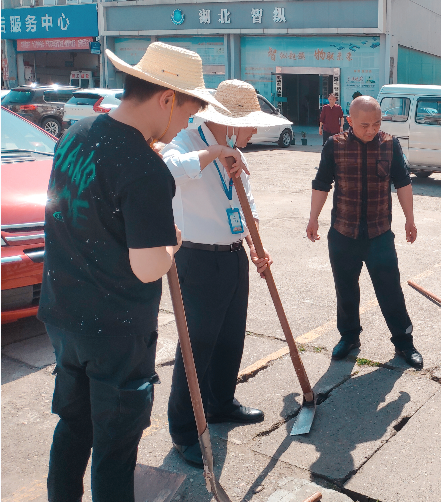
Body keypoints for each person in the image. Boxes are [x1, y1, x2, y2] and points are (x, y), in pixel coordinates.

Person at [37, 42, 223, 502]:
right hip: (115, 333)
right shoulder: (144, 168)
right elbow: (147, 268)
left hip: (63, 314)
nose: (182, 127)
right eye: (185, 116)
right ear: (165, 98)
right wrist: (171, 244)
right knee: (116, 448)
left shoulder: (76, 134)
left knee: (74, 426)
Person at [160, 79, 272, 468]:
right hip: (196, 258)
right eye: (250, 123)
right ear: (229, 121)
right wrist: (216, 151)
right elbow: (170, 170)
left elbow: (245, 200)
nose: (255, 131)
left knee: (230, 337)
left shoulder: (236, 152)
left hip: (233, 255)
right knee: (196, 347)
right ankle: (185, 432)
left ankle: (221, 402)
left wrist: (256, 244)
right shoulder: (188, 141)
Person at [306, 96, 423, 369]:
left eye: (377, 123)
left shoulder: (390, 144)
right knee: (345, 290)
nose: (371, 130)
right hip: (343, 233)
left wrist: (410, 219)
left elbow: (403, 183)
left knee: (390, 289)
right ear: (349, 122)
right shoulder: (334, 146)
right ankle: (349, 337)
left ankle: (404, 342)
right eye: (364, 125)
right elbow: (322, 183)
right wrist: (313, 219)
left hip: (379, 234)